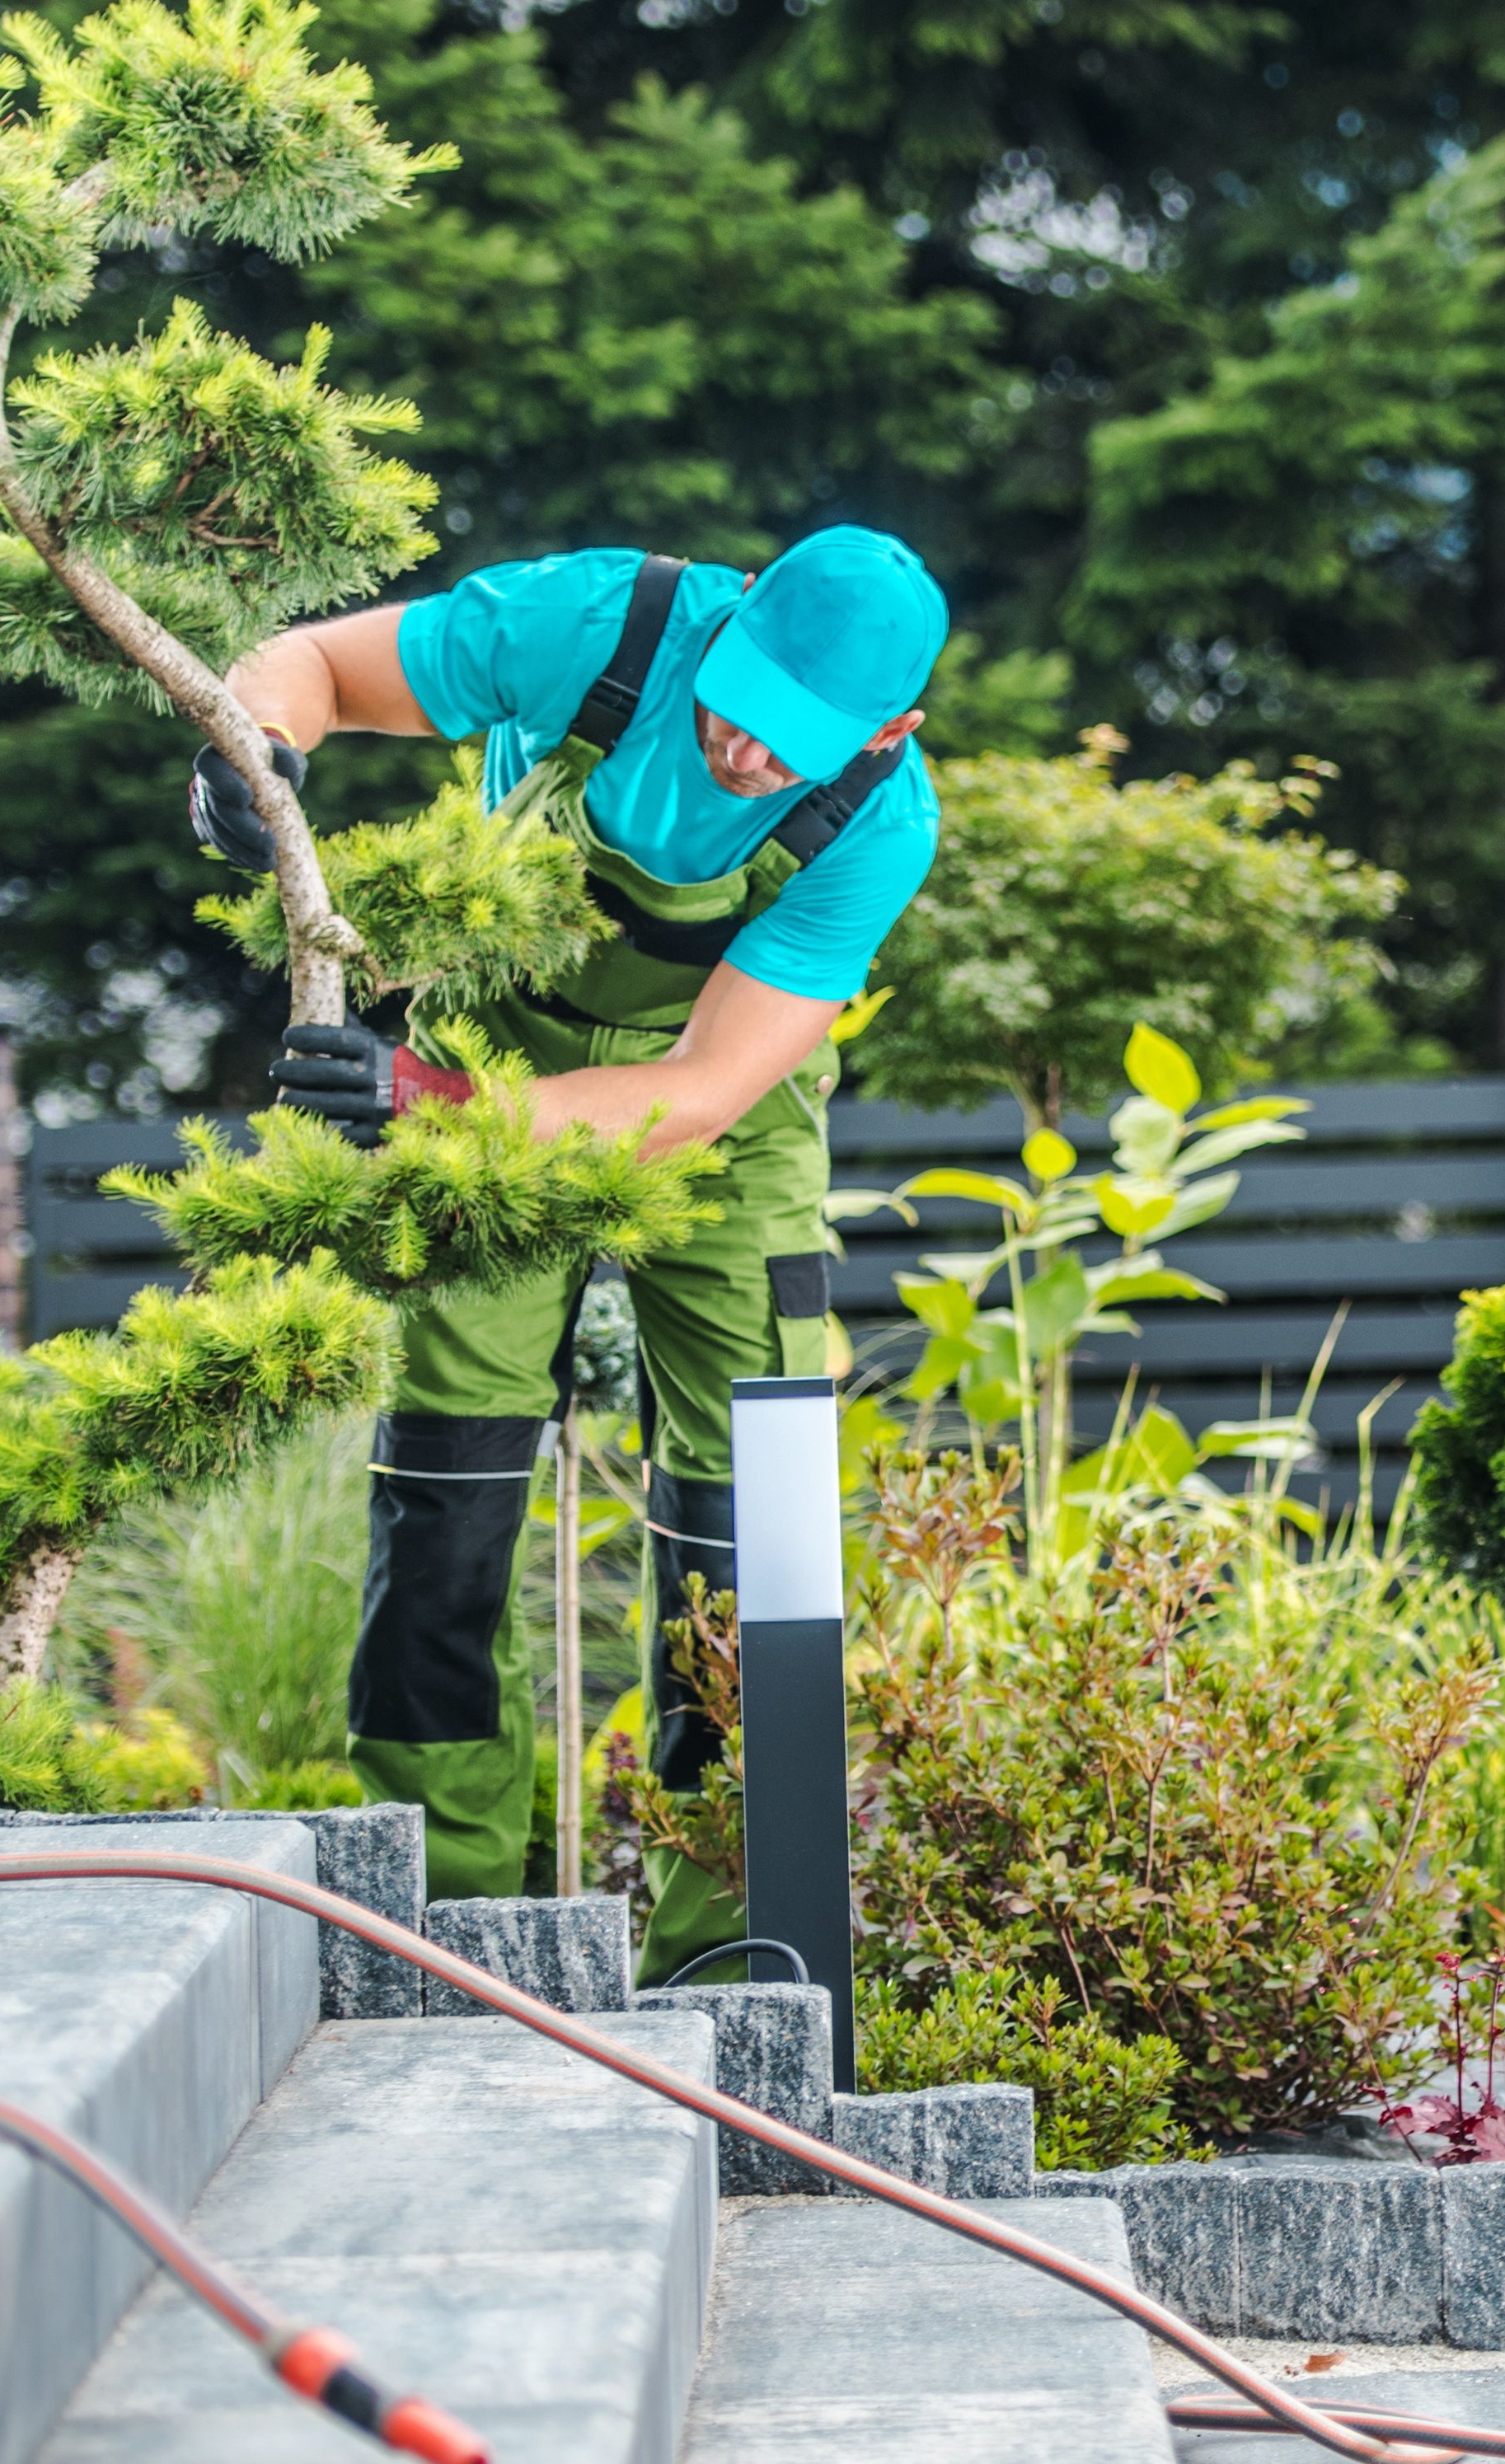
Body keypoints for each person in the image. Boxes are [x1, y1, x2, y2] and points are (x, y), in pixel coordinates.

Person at [195, 530, 946, 1982]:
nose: (737, 745)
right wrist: (255, 752)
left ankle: (741, 1947)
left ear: (888, 733)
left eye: (788, 741)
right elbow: (314, 666)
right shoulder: (604, 619)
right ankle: (444, 1912)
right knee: (450, 1480)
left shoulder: (880, 824)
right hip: (504, 1032)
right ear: (726, 630)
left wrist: (439, 1114)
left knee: (755, 1503)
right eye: (735, 699)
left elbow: (706, 1091)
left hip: (716, 1123)